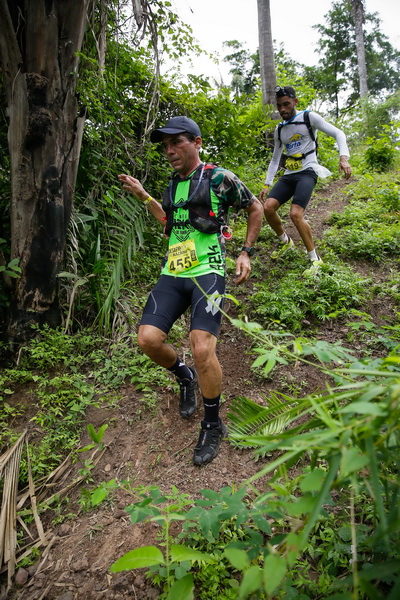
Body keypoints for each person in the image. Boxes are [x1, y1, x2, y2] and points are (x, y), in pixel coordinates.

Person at [118, 116, 263, 466]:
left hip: (208, 272)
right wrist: (143, 195)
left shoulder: (219, 177)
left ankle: (212, 423)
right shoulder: (172, 186)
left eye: (177, 142)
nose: (169, 151)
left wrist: (246, 251)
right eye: (165, 146)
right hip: (174, 272)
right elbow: (168, 225)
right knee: (148, 340)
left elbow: (256, 207)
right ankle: (185, 378)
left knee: (202, 348)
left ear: (197, 142)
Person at [259, 86, 352, 275]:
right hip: (289, 175)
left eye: (286, 104)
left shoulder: (309, 117)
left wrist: (343, 157)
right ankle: (286, 242)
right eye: (279, 106)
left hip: (308, 171)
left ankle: (315, 259)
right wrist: (267, 183)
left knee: (295, 214)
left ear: (295, 102)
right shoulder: (279, 129)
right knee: (267, 208)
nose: (282, 109)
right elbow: (276, 159)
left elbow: (339, 134)